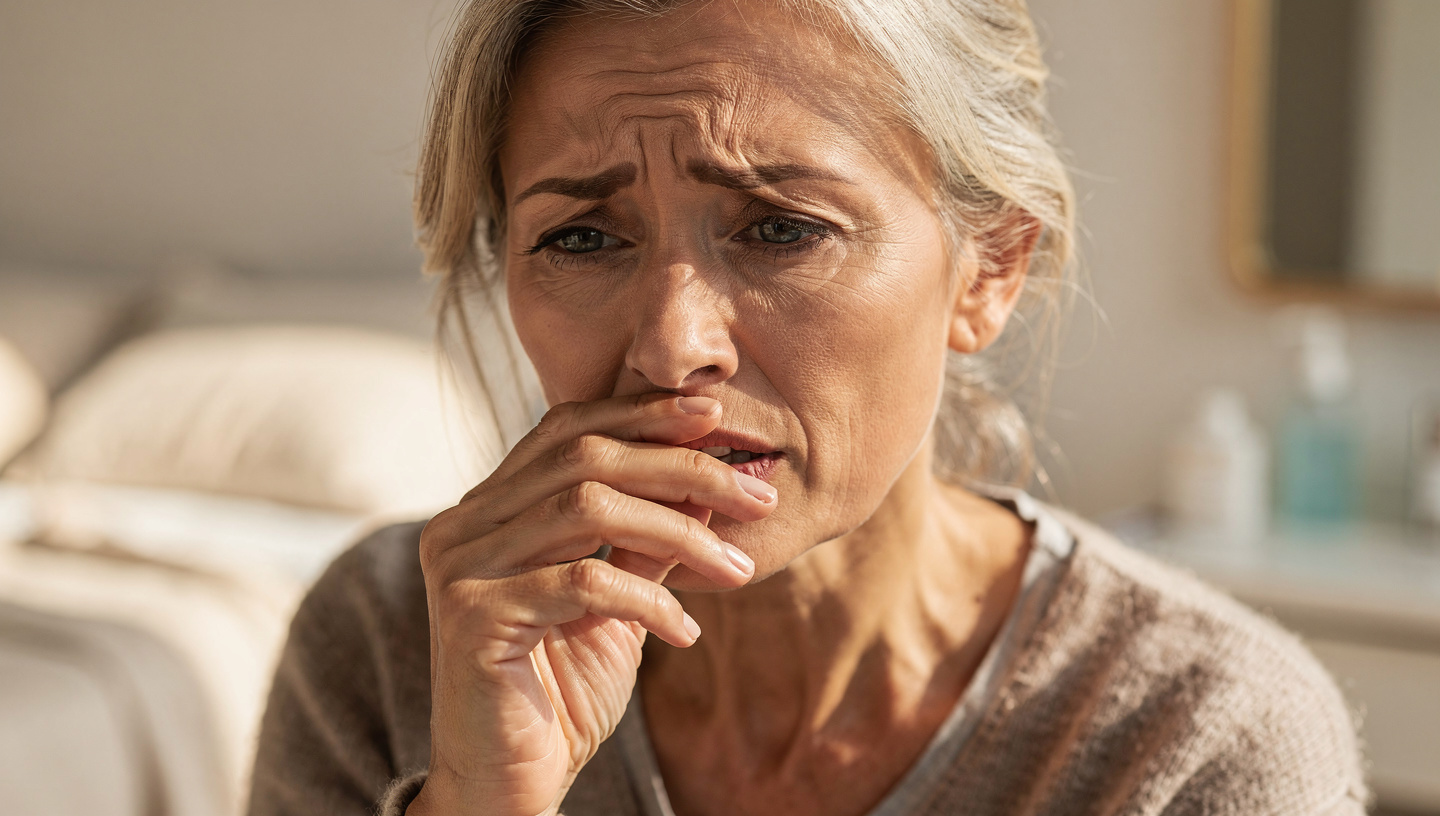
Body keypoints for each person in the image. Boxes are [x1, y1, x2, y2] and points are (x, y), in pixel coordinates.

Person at [247, 1, 1368, 814]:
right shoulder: (400, 647)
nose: (672, 346)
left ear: (988, 271)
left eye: (781, 227)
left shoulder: (1192, 740)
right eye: (582, 238)